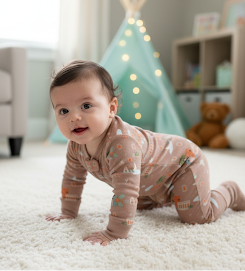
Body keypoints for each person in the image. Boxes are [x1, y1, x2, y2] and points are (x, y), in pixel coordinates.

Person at [46, 60, 245, 246]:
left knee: (197, 217)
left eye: (86, 106)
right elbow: (73, 178)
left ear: (111, 108)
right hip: (151, 177)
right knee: (138, 204)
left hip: (183, 164)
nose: (74, 117)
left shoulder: (121, 145)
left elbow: (125, 191)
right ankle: (157, 197)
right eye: (64, 111)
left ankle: (230, 191)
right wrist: (68, 212)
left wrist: (114, 233)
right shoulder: (75, 146)